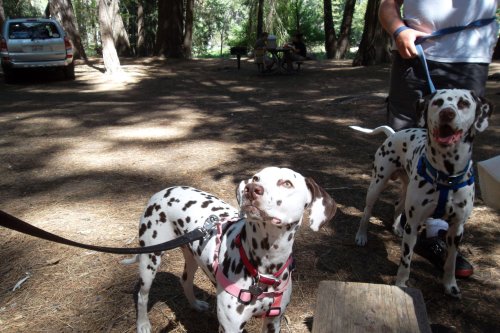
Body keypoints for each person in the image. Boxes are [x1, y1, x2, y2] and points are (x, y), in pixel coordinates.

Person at [379, 0, 498, 278]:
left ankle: (435, 234)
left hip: (469, 59)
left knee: (454, 144)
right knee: (403, 143)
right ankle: (409, 211)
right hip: (414, 57)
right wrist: (398, 31)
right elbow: (387, 4)